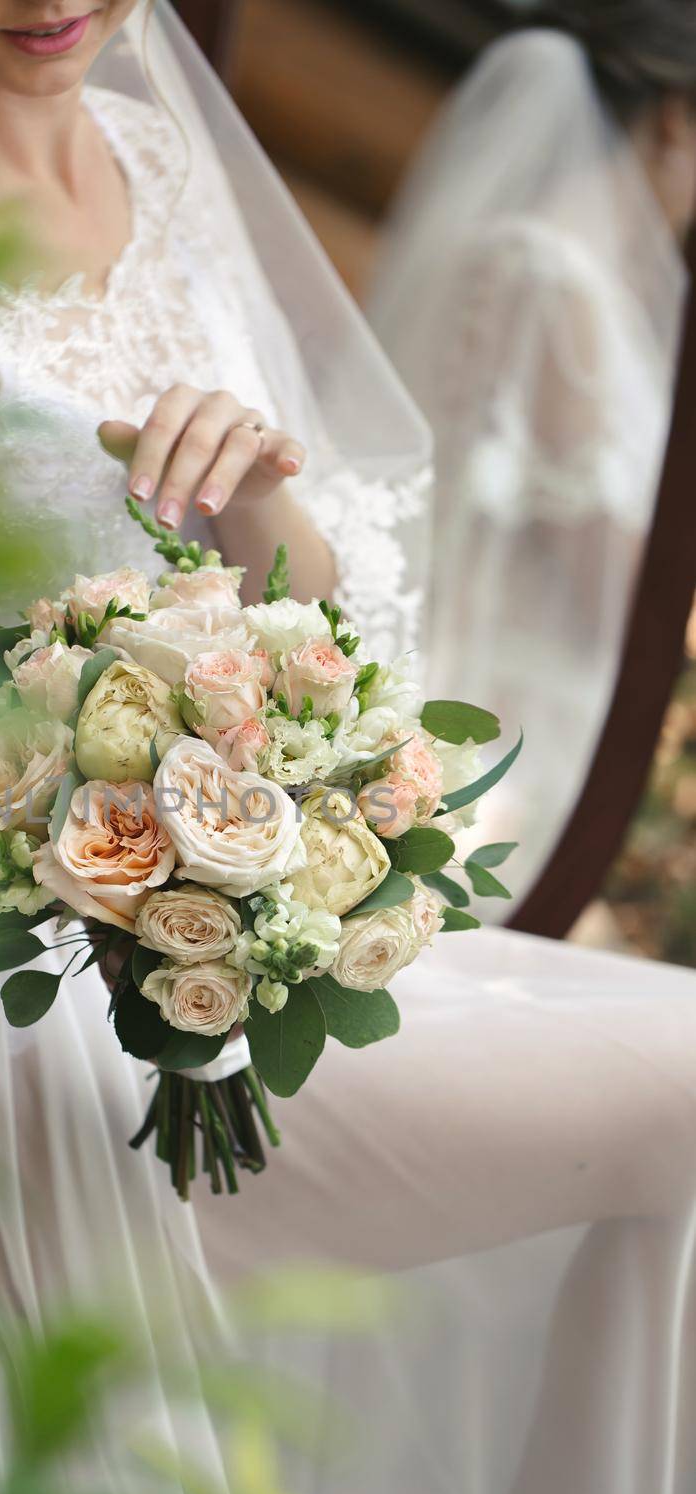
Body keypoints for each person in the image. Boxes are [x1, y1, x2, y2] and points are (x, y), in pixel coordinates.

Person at [0, 3, 696, 1494]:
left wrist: (260, 497)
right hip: (0, 1014)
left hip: (227, 931)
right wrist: (60, 857)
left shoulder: (151, 155)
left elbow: (323, 618)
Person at [368, 4, 696, 912]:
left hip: (559, 710)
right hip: (503, 721)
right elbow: (614, 571)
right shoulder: (550, 277)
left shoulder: (603, 290)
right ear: (674, 112)